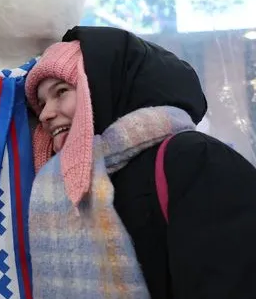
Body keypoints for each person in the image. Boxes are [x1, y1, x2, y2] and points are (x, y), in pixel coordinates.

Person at [23, 26, 256, 298]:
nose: (45, 115)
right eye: (40, 103)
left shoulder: (194, 158)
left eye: (61, 91)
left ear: (103, 87)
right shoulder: (73, 187)